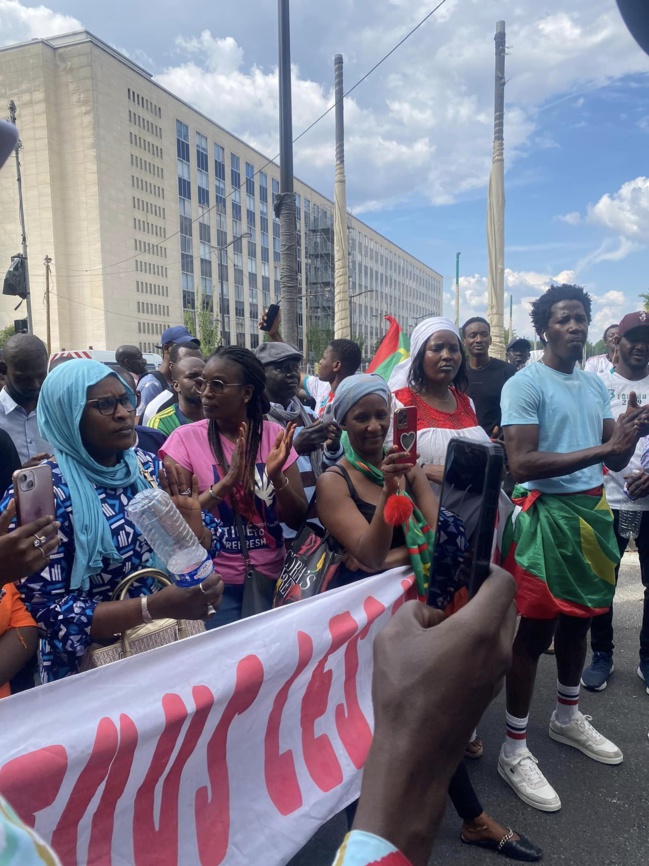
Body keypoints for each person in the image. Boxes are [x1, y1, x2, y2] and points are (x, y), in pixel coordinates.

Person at [318, 374, 541, 862]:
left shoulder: (409, 465)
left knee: (424, 718)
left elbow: (447, 536)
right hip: (359, 626)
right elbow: (370, 554)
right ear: (343, 423)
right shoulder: (334, 481)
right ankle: (375, 843)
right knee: (365, 729)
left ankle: (470, 820)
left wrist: (393, 550)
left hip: (415, 610)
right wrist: (392, 497)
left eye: (382, 415)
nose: (374, 426)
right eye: (361, 417)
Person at [498, 284, 649, 812]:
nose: (576, 326)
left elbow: (612, 459)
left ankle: (566, 717)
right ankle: (514, 747)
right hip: (546, 517)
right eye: (564, 318)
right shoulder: (525, 383)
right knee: (535, 631)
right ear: (544, 328)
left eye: (581, 317)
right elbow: (521, 462)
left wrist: (630, 433)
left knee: (581, 620)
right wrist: (606, 447)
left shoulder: (592, 385)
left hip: (591, 514)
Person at [0, 359, 224, 682]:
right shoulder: (47, 494)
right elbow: (48, 613)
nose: (123, 413)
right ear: (68, 414)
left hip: (170, 647)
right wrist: (151, 607)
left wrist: (194, 535)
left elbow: (209, 541)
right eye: (104, 404)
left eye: (125, 400)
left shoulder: (148, 468)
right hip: (93, 674)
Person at [332, 567, 518, 866]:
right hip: (348, 614)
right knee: (359, 730)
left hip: (396, 606)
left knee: (428, 721)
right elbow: (362, 557)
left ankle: (473, 818)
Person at [161, 347, 307, 627]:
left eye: (218, 385)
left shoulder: (274, 436)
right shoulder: (183, 441)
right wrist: (226, 484)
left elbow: (297, 519)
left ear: (247, 393)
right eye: (203, 383)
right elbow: (176, 525)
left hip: (274, 580)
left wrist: (277, 478)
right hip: (214, 589)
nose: (206, 393)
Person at [581, 310, 649, 692]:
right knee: (602, 583)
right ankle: (601, 655)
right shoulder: (597, 385)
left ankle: (647, 659)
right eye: (633, 338)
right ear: (617, 343)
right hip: (606, 498)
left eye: (647, 340)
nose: (641, 346)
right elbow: (584, 437)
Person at [256, 341, 342, 518]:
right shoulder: (255, 420)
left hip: (316, 520)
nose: (292, 374)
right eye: (281, 368)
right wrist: (294, 448)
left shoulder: (308, 415)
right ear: (261, 374)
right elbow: (254, 481)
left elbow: (327, 470)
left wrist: (333, 448)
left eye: (295, 368)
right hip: (276, 524)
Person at [260, 307, 362, 418]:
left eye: (324, 358)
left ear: (336, 365)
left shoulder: (353, 401)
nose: (320, 362)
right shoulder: (322, 387)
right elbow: (296, 372)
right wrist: (274, 334)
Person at [0, 334, 51, 465]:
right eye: (24, 378)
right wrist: (17, 474)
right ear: (3, 369)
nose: (35, 385)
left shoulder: (57, 410)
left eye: (41, 376)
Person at [462, 317, 516, 435]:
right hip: (463, 441)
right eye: (473, 335)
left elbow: (516, 411)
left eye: (484, 335)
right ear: (464, 341)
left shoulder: (508, 372)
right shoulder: (457, 373)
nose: (479, 340)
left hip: (497, 443)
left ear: (490, 340)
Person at [136, 325, 200, 417]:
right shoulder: (152, 384)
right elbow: (140, 419)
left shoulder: (186, 381)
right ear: (166, 348)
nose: (188, 349)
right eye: (181, 345)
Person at [140, 342, 203, 424]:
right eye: (186, 361)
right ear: (172, 366)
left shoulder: (214, 406)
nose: (195, 365)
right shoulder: (159, 410)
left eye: (199, 361)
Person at [147, 356, 205, 437]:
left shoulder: (219, 416)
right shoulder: (162, 422)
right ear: (176, 386)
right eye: (192, 377)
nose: (201, 381)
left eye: (204, 377)